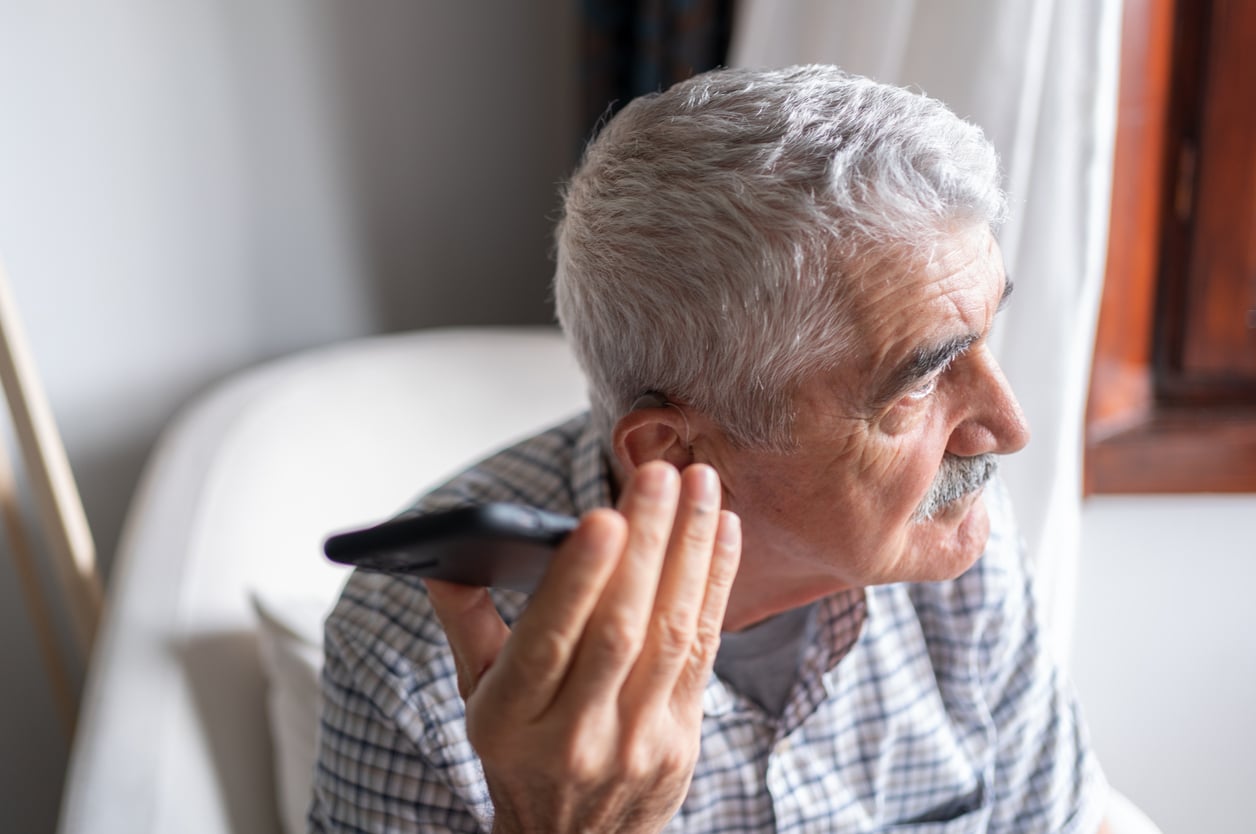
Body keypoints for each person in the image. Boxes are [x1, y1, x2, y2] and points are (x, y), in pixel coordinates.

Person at [310, 65, 1110, 833]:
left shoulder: (954, 522)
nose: (1007, 428)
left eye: (984, 336)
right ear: (676, 453)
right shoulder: (408, 664)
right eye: (915, 384)